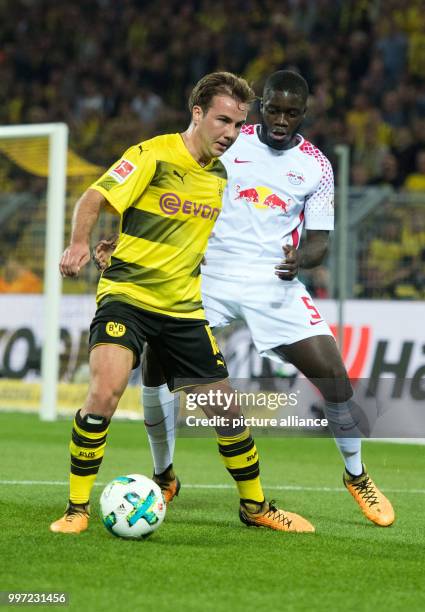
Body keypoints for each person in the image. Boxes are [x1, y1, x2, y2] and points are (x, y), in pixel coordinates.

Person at [96, 70, 394, 528]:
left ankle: (356, 475)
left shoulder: (316, 165)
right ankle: (164, 474)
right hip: (207, 272)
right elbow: (164, 191)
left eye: (290, 113)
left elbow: (319, 241)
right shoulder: (229, 141)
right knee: (156, 360)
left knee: (333, 374)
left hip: (272, 280)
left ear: (303, 113)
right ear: (261, 107)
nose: (279, 119)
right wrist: (128, 241)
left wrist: (302, 260)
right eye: (272, 109)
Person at [50, 71, 315, 535]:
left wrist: (125, 239)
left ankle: (254, 508)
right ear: (197, 113)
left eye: (237, 125)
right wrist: (79, 244)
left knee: (227, 412)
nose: (230, 134)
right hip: (128, 296)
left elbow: (187, 237)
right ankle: (76, 509)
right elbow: (95, 196)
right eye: (222, 121)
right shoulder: (153, 154)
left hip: (182, 308)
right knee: (106, 391)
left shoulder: (219, 178)